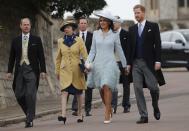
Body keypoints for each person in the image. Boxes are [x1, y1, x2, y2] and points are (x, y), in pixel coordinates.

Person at [85, 11, 127, 124]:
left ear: (109, 22)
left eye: (104, 20)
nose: (102, 22)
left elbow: (120, 50)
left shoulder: (115, 35)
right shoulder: (95, 34)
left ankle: (107, 112)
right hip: (97, 64)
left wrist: (125, 65)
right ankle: (109, 108)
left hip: (110, 63)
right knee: (101, 89)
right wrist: (87, 62)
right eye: (101, 20)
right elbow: (92, 51)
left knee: (106, 86)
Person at [128, 4, 165, 124]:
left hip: (149, 62)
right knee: (137, 88)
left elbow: (158, 44)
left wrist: (158, 61)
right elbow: (130, 48)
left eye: (138, 13)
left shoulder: (153, 26)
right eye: (135, 13)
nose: (136, 15)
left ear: (143, 13)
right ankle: (143, 115)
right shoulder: (132, 29)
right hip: (136, 63)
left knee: (153, 87)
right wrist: (129, 64)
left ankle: (155, 105)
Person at [6, 18, 46, 128]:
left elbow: (41, 57)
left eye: (28, 25)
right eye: (24, 25)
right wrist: (9, 71)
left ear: (30, 26)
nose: (26, 26)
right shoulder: (15, 40)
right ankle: (29, 113)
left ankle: (29, 119)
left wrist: (43, 70)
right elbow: (11, 57)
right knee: (19, 94)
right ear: (20, 26)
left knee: (30, 94)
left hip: (32, 70)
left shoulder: (36, 39)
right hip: (19, 70)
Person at [55, 20, 88, 124]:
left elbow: (85, 55)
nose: (66, 29)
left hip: (77, 70)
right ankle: (63, 115)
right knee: (64, 92)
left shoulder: (79, 40)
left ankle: (80, 113)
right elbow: (58, 58)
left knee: (78, 93)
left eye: (68, 27)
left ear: (72, 29)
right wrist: (57, 71)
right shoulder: (60, 41)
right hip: (64, 70)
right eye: (64, 28)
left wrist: (87, 66)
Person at [71, 17, 93, 117]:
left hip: (88, 63)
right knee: (77, 85)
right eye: (81, 23)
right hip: (77, 63)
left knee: (88, 87)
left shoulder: (92, 36)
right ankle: (76, 108)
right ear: (78, 25)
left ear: (87, 24)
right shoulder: (74, 36)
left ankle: (87, 109)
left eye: (84, 23)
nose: (83, 24)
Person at [111, 16, 131, 114]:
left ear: (119, 23)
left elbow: (128, 50)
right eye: (112, 22)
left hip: (123, 63)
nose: (113, 24)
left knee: (126, 85)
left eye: (115, 22)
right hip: (113, 63)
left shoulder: (126, 34)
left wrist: (128, 64)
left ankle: (126, 105)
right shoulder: (109, 34)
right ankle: (113, 106)